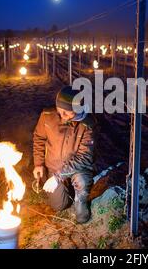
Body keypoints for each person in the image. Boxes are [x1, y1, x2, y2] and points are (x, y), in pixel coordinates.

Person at [32, 86, 95, 223]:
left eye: (68, 113)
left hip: (77, 169)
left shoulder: (87, 125)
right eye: (60, 111)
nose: (63, 116)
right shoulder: (47, 116)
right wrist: (38, 164)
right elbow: (39, 138)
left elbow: (84, 158)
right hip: (54, 167)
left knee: (82, 182)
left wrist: (57, 177)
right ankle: (66, 189)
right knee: (59, 205)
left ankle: (80, 200)